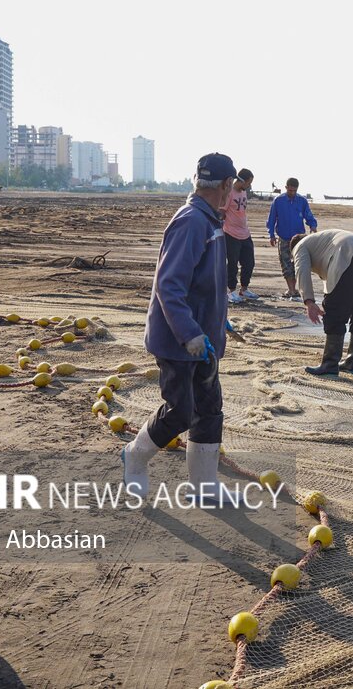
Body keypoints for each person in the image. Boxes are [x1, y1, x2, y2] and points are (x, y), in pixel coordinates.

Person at [123, 153, 235, 504]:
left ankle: (203, 487)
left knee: (209, 409)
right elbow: (169, 285)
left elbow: (206, 283)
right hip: (179, 340)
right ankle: (135, 456)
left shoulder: (210, 220)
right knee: (180, 412)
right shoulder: (191, 222)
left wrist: (219, 319)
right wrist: (190, 334)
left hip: (206, 339)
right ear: (226, 186)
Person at [290, 229, 353, 375]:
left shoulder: (300, 246)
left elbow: (302, 270)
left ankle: (330, 364)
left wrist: (309, 302)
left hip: (350, 253)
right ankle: (351, 362)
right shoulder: (322, 241)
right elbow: (339, 282)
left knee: (334, 311)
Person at [266, 177, 317, 299]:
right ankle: (291, 289)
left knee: (299, 263)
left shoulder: (302, 201)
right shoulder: (278, 201)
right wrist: (271, 235)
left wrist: (313, 226)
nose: (292, 193)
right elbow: (272, 219)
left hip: (299, 239)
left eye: (294, 190)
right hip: (283, 237)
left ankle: (299, 289)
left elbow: (308, 215)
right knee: (285, 263)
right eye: (290, 190)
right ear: (286, 188)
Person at [224, 168, 258, 304]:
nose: (249, 185)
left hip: (245, 233)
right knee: (232, 263)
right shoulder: (229, 193)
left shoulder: (244, 192)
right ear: (242, 180)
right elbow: (222, 211)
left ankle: (244, 289)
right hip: (231, 233)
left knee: (249, 262)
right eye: (249, 182)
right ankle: (231, 291)